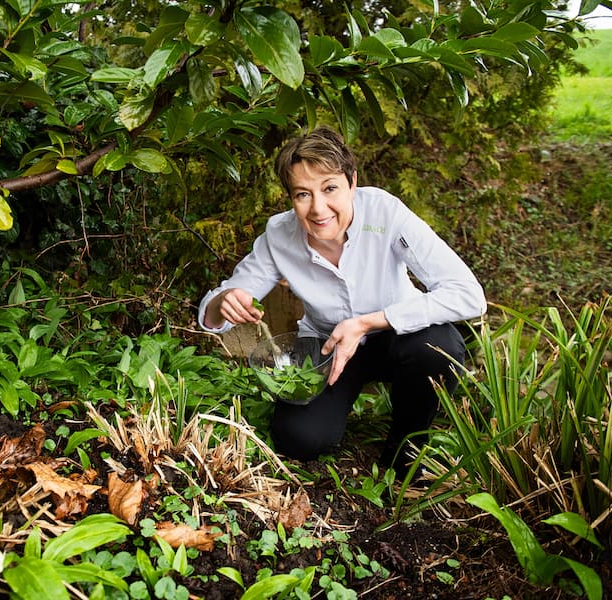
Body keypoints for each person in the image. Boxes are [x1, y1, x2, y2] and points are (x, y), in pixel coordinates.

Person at [198, 126, 487, 477]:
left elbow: (468, 295)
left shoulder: (385, 212)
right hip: (327, 347)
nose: (318, 208)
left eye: (330, 188)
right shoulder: (279, 234)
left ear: (352, 182)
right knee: (299, 439)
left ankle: (406, 448)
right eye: (302, 194)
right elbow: (220, 306)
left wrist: (366, 322)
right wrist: (225, 302)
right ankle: (334, 413)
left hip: (400, 335)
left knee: (438, 347)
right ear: (290, 197)